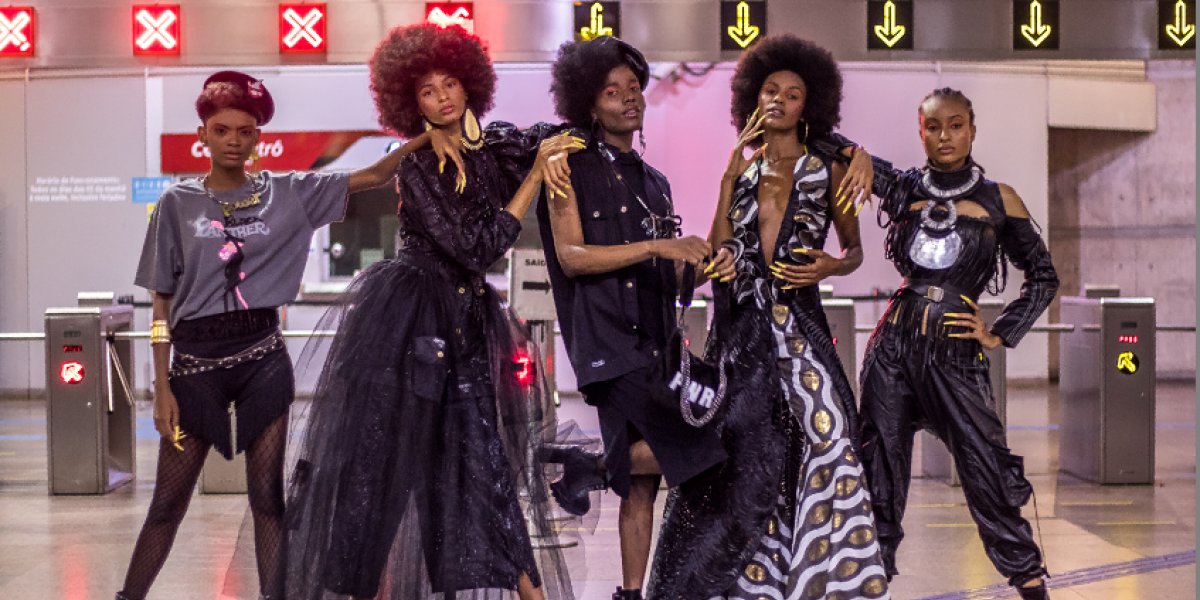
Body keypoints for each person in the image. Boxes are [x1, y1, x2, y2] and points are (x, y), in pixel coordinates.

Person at [118, 70, 456, 600]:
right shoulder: (176, 206)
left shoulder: (289, 193)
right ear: (201, 135)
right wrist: (160, 386)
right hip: (193, 366)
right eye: (223, 129)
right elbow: (160, 298)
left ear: (258, 137)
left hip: (263, 360)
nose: (234, 140)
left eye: (245, 130)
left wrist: (432, 134)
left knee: (268, 499)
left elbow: (371, 175)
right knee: (168, 502)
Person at [283, 24, 584, 600]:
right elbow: (479, 247)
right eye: (428, 90)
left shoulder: (492, 144)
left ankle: (530, 592)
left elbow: (559, 135)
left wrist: (557, 144)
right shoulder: (419, 167)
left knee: (485, 467)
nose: (444, 96)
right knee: (382, 470)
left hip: (468, 323)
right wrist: (529, 186)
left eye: (451, 83)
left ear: (471, 83)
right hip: (408, 324)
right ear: (409, 101)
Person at [647, 35, 889, 599]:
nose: (779, 100)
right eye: (770, 90)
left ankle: (825, 577)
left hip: (801, 331)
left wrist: (831, 263)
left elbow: (853, 252)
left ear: (812, 105)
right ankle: (752, 582)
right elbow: (713, 253)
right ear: (753, 100)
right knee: (740, 459)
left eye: (794, 93)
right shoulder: (745, 173)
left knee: (828, 438)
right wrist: (730, 180)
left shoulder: (828, 169)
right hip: (741, 336)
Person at [535, 37, 729, 600]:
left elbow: (669, 276)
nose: (628, 100)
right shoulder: (565, 166)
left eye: (634, 89)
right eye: (611, 92)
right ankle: (592, 466)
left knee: (642, 481)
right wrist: (657, 250)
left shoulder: (655, 183)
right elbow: (571, 257)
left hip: (656, 342)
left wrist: (706, 265)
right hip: (606, 342)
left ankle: (630, 590)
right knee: (706, 447)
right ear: (589, 104)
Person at [856, 87, 1058, 600]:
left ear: (971, 128)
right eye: (933, 127)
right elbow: (828, 141)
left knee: (985, 466)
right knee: (878, 468)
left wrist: (999, 332)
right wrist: (854, 155)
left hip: (956, 354)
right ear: (919, 130)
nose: (944, 136)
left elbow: (1043, 275)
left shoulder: (998, 198)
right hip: (893, 350)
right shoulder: (901, 186)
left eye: (955, 125)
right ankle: (870, 583)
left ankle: (1030, 582)